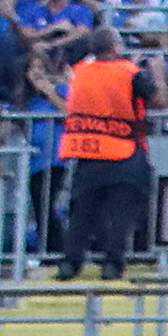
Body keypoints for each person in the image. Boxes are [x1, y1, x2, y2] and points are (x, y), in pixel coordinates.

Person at [51, 26, 152, 281]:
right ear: (115, 48)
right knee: (120, 214)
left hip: (87, 152)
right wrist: (154, 72)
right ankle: (112, 266)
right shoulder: (129, 72)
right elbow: (155, 96)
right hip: (123, 151)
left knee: (81, 213)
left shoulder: (79, 71)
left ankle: (70, 264)